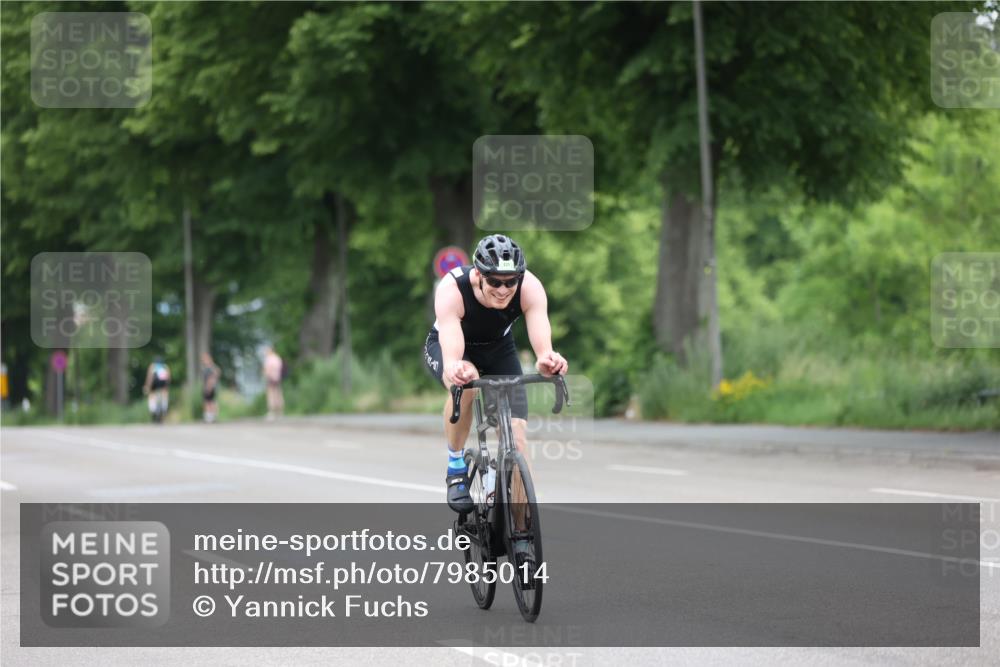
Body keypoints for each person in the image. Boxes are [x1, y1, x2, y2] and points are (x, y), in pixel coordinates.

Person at [423, 234, 568, 518]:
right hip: (451, 346)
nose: (503, 289)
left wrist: (546, 359)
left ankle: (522, 534)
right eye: (495, 282)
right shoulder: (452, 288)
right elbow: (452, 347)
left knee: (517, 437)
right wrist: (454, 366)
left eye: (510, 281)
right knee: (466, 382)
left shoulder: (530, 287)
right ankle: (455, 465)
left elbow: (542, 343)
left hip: (499, 349)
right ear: (478, 275)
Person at [143, 357, 171, 423]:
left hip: (155, 380)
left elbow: (149, 377)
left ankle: (153, 410)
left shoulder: (152, 366)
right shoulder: (165, 366)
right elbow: (169, 378)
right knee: (164, 393)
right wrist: (167, 387)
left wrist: (147, 386)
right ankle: (164, 407)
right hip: (163, 381)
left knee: (152, 394)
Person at [262, 346, 284, 420]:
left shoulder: (269, 359)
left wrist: (265, 375)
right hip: (277, 378)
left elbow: (267, 370)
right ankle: (279, 412)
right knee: (278, 394)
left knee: (271, 395)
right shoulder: (277, 358)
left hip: (270, 378)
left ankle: (271, 412)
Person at [201, 352, 221, 423]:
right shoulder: (207, 367)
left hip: (210, 387)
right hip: (208, 386)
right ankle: (210, 416)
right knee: (208, 401)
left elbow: (214, 375)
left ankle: (211, 417)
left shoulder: (210, 368)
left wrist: (209, 386)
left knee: (210, 402)